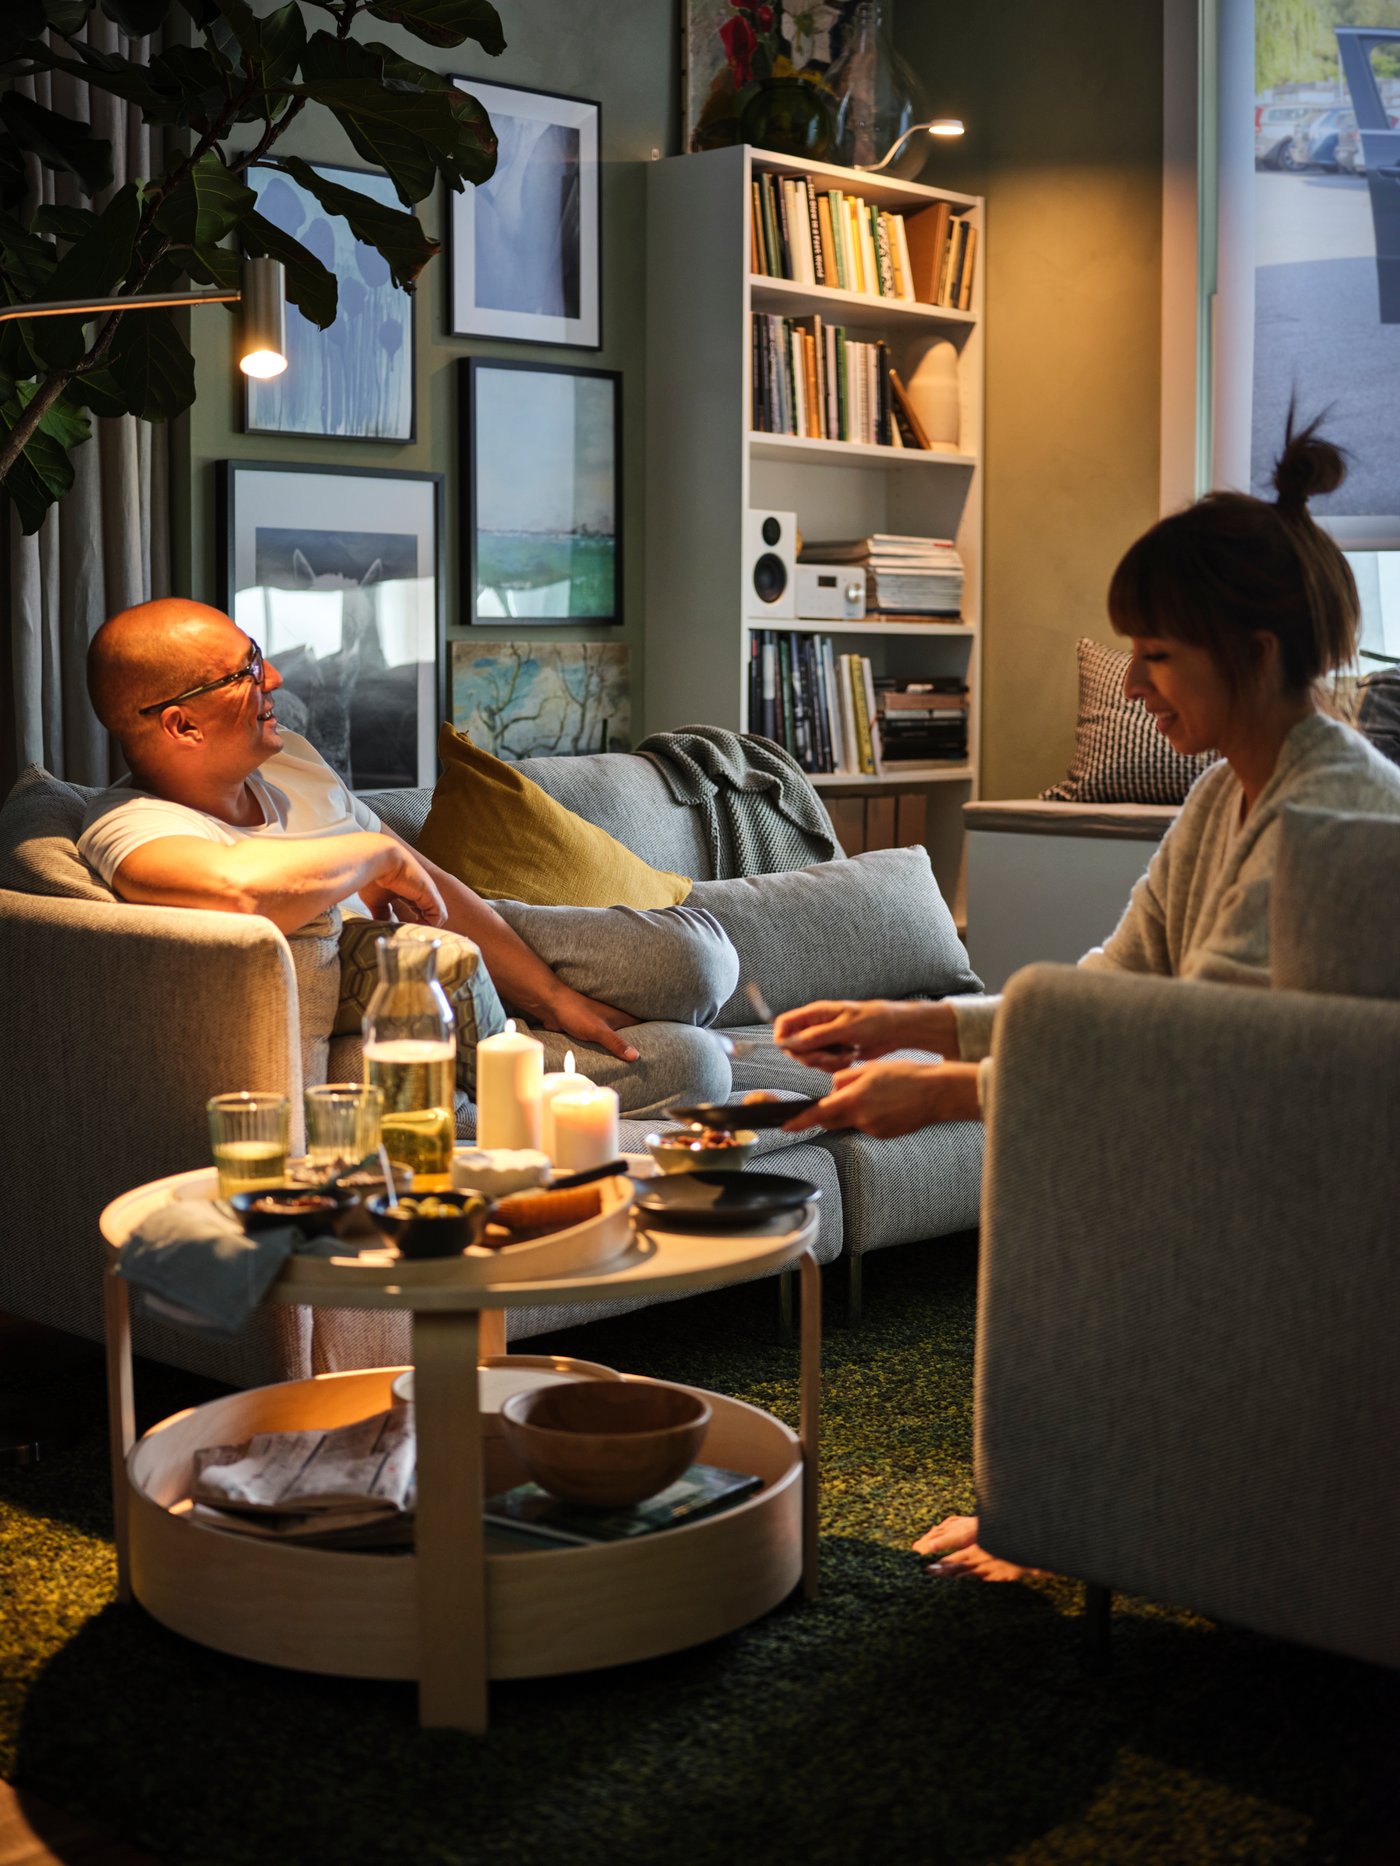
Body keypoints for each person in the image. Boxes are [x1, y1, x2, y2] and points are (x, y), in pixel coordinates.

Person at [774, 419, 1400, 1579]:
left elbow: (1192, 1059)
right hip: (1225, 1143)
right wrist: (915, 1025)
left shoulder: (1331, 816)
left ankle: (1061, 1512)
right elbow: (1115, 990)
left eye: (1154, 655)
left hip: (1302, 1197)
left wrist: (947, 1096)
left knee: (1056, 1159)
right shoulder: (1222, 794)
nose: (1129, 685)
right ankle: (1060, 1506)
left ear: (1253, 653)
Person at [77, 599, 738, 1113]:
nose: (273, 677)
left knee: (697, 956)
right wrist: (368, 856)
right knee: (694, 1064)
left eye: (257, 655)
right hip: (407, 1015)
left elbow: (427, 881)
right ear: (183, 724)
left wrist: (553, 996)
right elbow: (239, 893)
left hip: (462, 940)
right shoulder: (130, 825)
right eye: (244, 672)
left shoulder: (292, 760)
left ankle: (544, 1017)